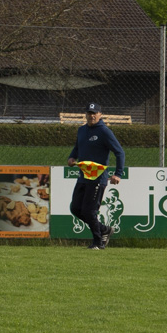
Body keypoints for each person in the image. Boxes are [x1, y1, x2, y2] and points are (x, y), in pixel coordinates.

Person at [66, 102, 125, 250]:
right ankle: (104, 230)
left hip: (98, 178)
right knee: (75, 208)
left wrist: (118, 174)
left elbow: (120, 152)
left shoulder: (104, 132)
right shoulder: (81, 130)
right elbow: (77, 147)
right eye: (89, 113)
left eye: (94, 113)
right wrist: (72, 157)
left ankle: (98, 242)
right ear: (85, 114)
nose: (91, 116)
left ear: (100, 114)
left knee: (89, 211)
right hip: (83, 176)